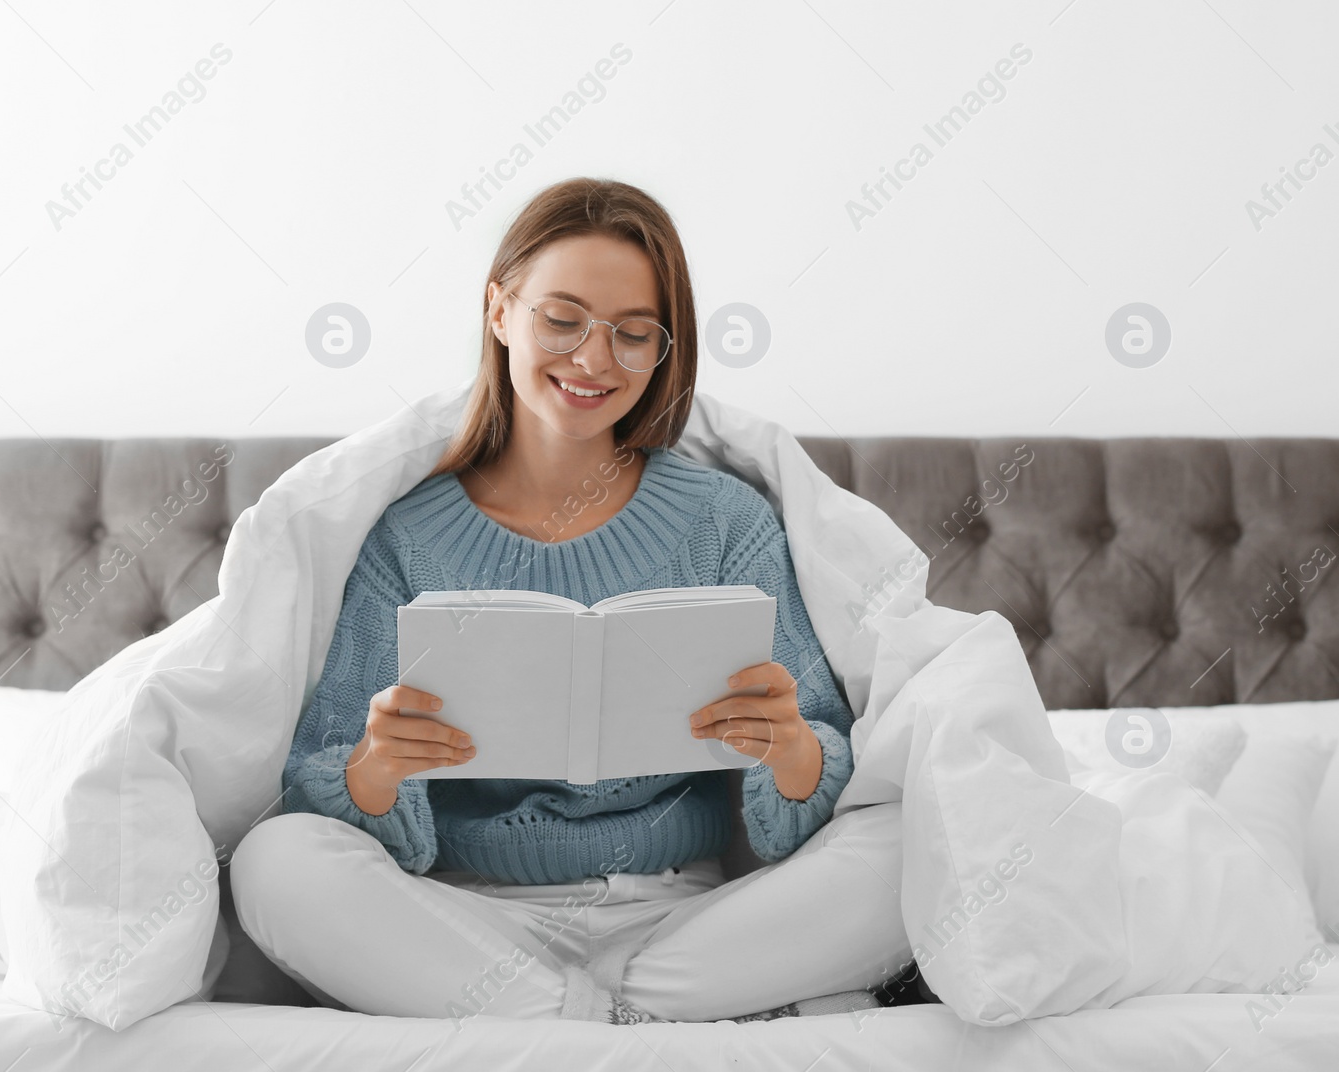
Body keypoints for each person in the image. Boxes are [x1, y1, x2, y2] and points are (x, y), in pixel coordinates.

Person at [231, 177, 908, 1025]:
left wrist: (793, 751)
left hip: (684, 918)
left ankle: (565, 1020)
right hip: (466, 921)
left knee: (906, 845)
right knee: (274, 861)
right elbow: (321, 783)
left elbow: (816, 789)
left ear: (666, 351)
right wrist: (377, 767)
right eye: (562, 320)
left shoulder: (728, 523)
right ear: (499, 311)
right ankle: (622, 1022)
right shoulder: (400, 536)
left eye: (634, 335)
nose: (594, 361)